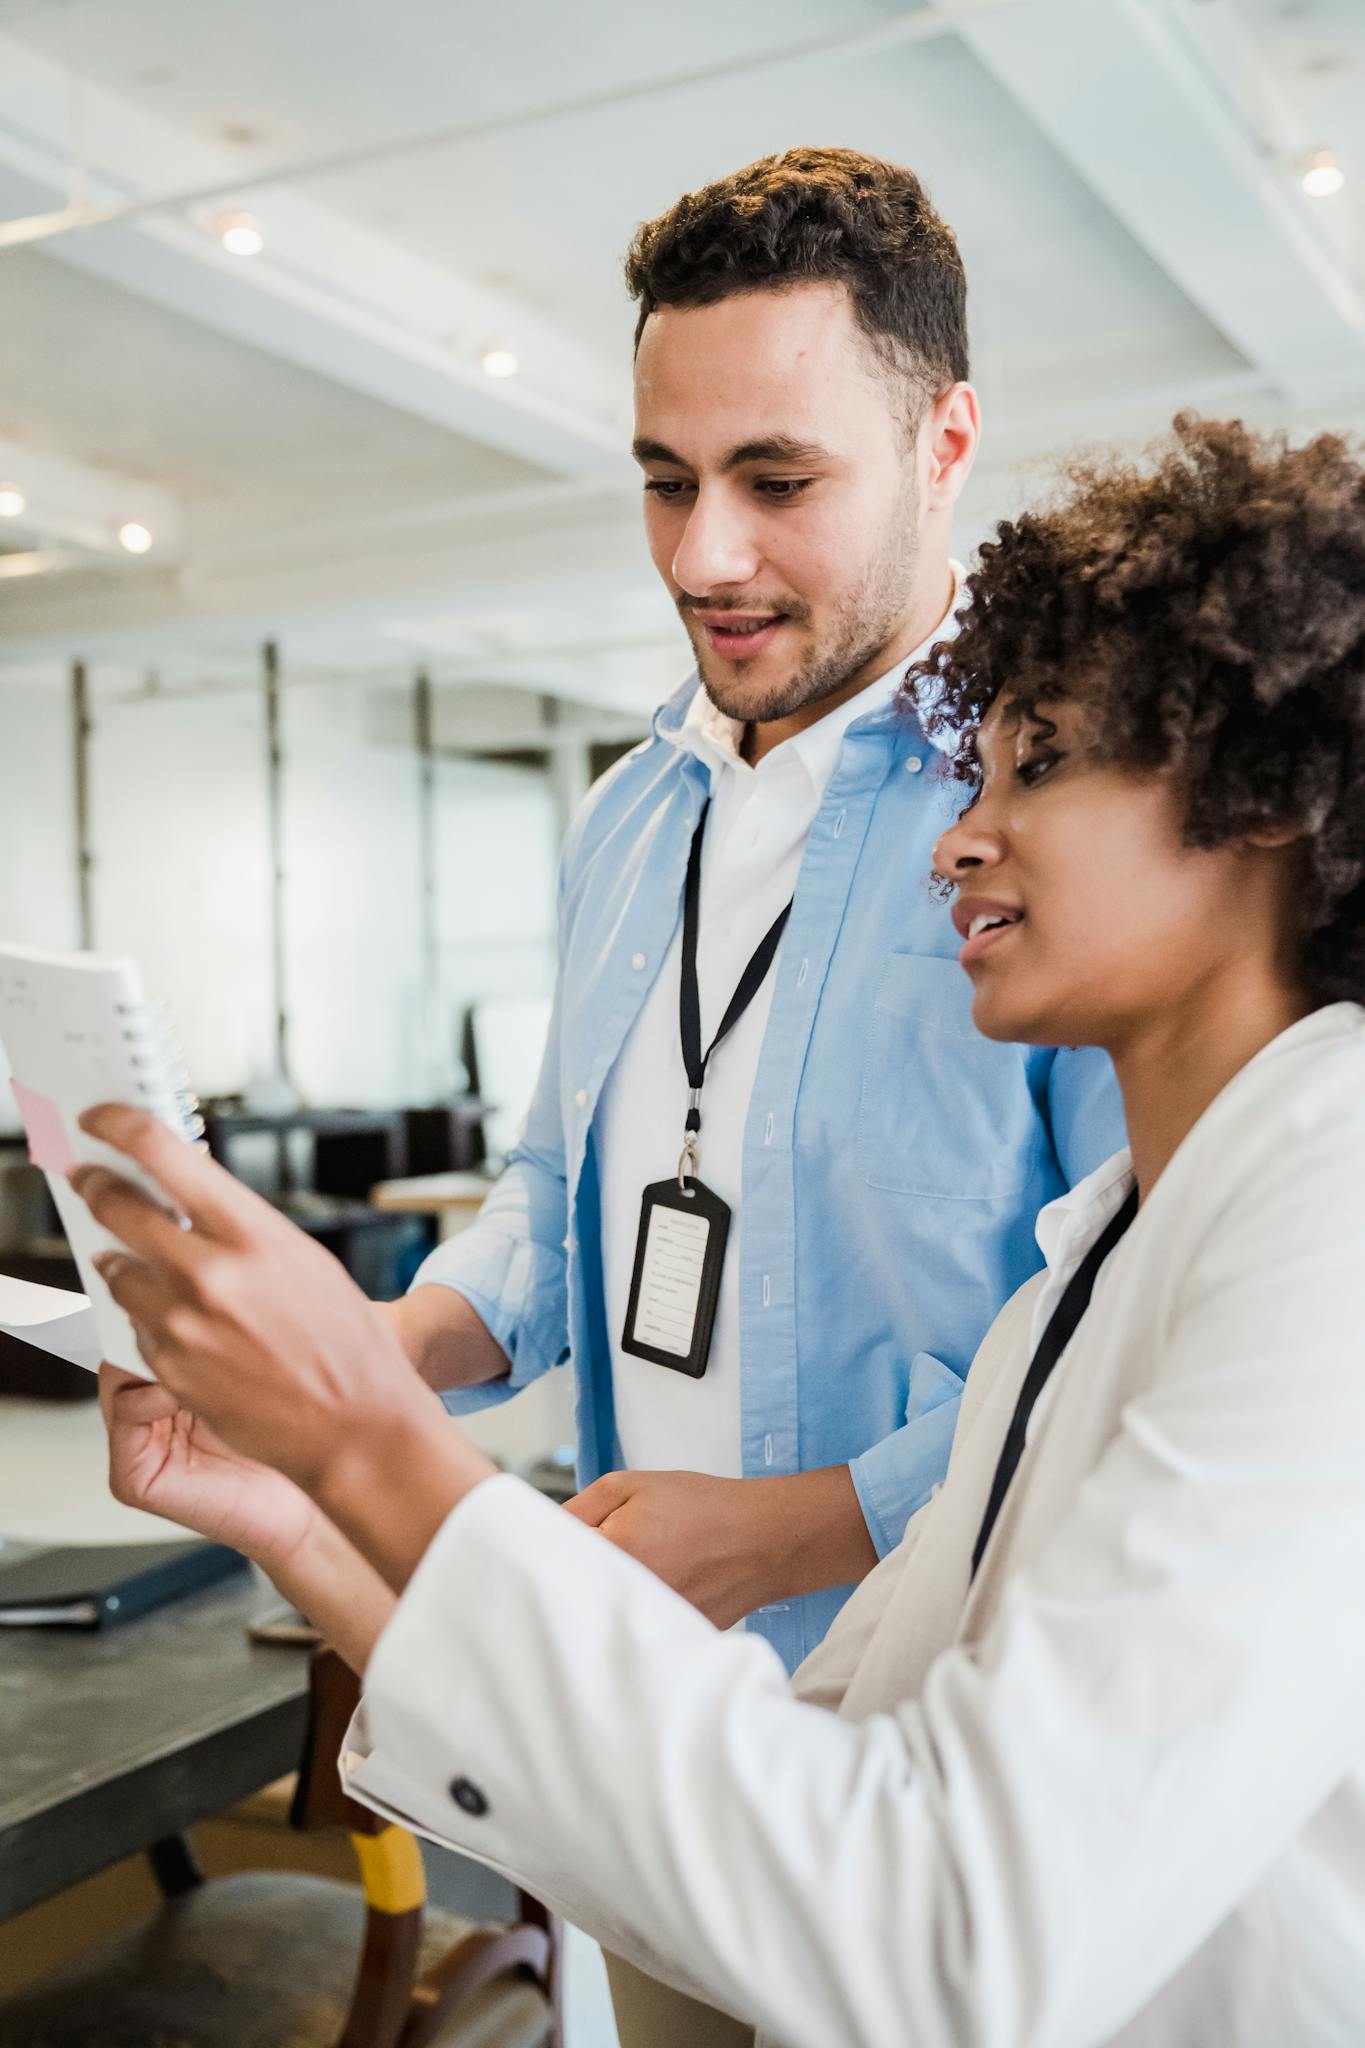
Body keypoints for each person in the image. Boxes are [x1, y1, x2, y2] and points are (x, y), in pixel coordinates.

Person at [81, 415, 1365, 2046]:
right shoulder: (1097, 1259)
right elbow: (777, 1773)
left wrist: (364, 1442)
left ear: (1256, 790)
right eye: (975, 770)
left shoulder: (1330, 1194)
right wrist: (300, 1511)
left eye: (1036, 763)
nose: (957, 837)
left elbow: (945, 1930)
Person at [382, 147, 1122, 1690]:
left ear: (945, 443)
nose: (700, 557)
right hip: (650, 1686)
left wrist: (803, 1528)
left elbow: (1140, 1315)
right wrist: (397, 1348)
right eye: (665, 481)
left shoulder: (1075, 818)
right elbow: (550, 1178)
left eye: (776, 483)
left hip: (943, 1709)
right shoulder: (631, 811)